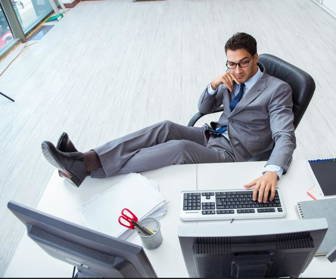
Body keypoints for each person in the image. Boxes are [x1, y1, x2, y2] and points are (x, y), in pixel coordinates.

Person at [41, 32, 295, 203]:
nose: (237, 70)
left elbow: (284, 135)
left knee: (179, 148)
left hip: (235, 154)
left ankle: (91, 170)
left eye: (243, 63)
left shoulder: (277, 90)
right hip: (214, 134)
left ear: (256, 58)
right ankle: (87, 160)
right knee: (164, 128)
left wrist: (272, 171)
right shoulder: (230, 76)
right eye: (231, 64)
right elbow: (204, 107)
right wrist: (212, 84)